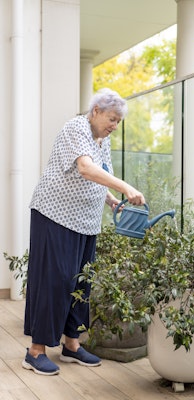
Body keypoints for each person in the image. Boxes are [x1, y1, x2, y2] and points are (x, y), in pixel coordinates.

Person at [23, 88, 145, 376]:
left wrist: (113, 199)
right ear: (96, 112)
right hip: (55, 214)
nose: (115, 126)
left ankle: (71, 345)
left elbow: (100, 177)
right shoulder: (76, 127)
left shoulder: (103, 139)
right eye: (112, 119)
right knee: (55, 281)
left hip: (86, 222)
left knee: (81, 282)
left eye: (118, 121)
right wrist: (125, 187)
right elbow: (87, 169)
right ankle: (35, 351)